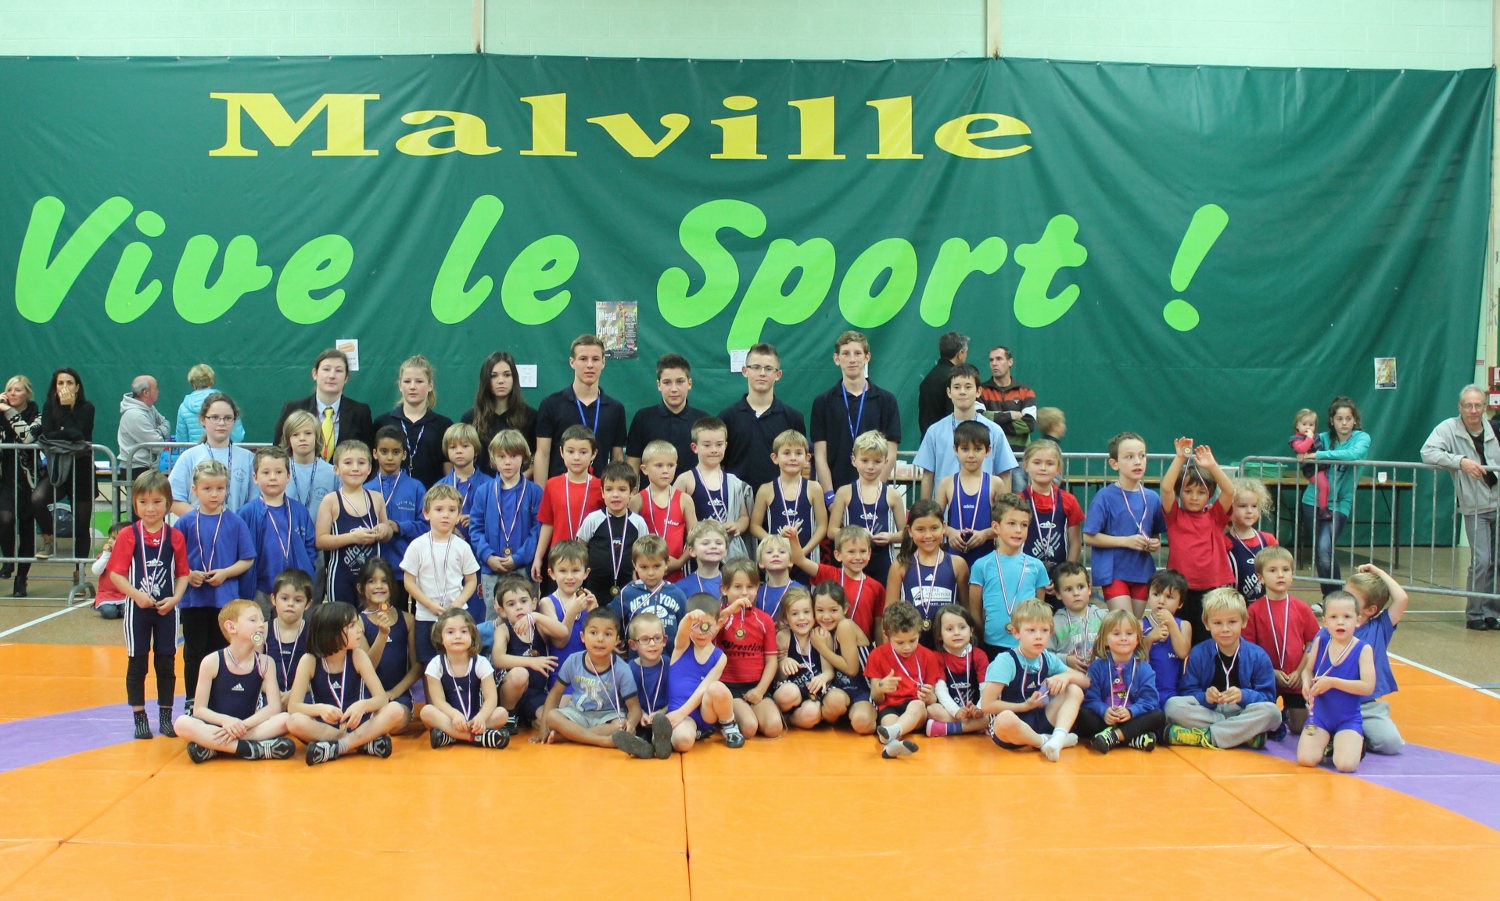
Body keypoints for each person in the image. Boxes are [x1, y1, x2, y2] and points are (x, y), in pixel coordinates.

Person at [107, 471, 189, 740]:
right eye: (143, 502)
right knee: (137, 664)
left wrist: (175, 599)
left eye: (156, 502)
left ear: (168, 504)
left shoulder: (175, 536)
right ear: (134, 503)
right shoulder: (128, 535)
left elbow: (183, 574)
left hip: (167, 609)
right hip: (138, 610)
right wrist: (136, 595)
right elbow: (116, 574)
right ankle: (139, 717)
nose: (150, 508)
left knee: (166, 664)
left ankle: (166, 716)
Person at [175, 460, 256, 709]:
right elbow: (174, 558)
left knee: (222, 652)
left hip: (225, 601)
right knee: (194, 652)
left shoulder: (235, 522)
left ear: (226, 489)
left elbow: (247, 558)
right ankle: (193, 700)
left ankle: (219, 701)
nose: (214, 494)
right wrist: (189, 574)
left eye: (219, 489)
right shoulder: (185, 522)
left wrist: (225, 573)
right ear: (194, 490)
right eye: (207, 489)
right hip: (194, 601)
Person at [175, 600, 296, 763]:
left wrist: (242, 726)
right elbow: (199, 710)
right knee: (182, 723)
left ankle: (214, 747)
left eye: (262, 620)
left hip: (248, 727)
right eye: (253, 620)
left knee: (285, 719)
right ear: (231, 627)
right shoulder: (212, 661)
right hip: (218, 726)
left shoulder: (266, 663)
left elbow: (274, 707)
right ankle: (250, 749)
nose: (261, 625)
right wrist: (226, 721)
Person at [286, 601, 406, 765]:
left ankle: (338, 747)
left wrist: (363, 705)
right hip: (326, 728)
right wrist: (320, 709)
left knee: (395, 710)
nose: (360, 630)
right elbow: (293, 706)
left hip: (359, 723)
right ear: (332, 632)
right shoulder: (309, 660)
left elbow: (381, 699)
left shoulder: (358, 655)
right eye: (352, 626)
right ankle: (360, 743)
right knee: (294, 721)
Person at [1421, 385, 1500, 630]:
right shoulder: (1448, 428)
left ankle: (1492, 612)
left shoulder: (1495, 429)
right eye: (1468, 405)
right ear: (1460, 407)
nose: (1473, 410)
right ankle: (1474, 613)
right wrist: (1460, 461)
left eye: (1478, 405)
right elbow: (1428, 453)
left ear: (1485, 408)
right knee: (1482, 560)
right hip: (1475, 506)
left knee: (1497, 561)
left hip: (1498, 502)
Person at [1164, 588, 1282, 750]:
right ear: (1207, 624)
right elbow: (1187, 691)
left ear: (1244, 621)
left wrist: (1243, 695)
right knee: (1172, 706)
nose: (1225, 629)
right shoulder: (1198, 653)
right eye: (1218, 623)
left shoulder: (1258, 656)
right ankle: (1242, 734)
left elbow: (1268, 698)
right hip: (1210, 712)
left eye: (1232, 622)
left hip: (1243, 711)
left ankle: (1206, 736)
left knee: (1273, 713)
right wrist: (1205, 697)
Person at [979, 598, 1086, 761]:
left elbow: (1086, 681)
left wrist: (1066, 676)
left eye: (1044, 630)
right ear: (1016, 633)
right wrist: (1024, 706)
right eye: (1031, 630)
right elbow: (987, 705)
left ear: (1050, 632)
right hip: (1013, 727)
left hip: (1039, 718)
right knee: (1005, 718)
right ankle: (1045, 741)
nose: (1039, 637)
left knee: (1074, 689)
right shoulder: (1005, 661)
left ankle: (1057, 738)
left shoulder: (1047, 658)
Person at [1082, 432, 1165, 615]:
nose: (1138, 462)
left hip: (1142, 571)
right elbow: (1088, 536)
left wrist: (1155, 543)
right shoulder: (1105, 496)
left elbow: (1155, 534)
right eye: (1129, 457)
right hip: (1114, 572)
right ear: (1115, 464)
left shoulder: (1152, 498)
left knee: (1135, 625)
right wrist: (1126, 541)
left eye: (1142, 456)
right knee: (1123, 623)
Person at [1296, 396, 1371, 597]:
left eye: (1348, 418)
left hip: (1339, 503)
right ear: (1332, 420)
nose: (1344, 423)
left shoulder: (1362, 438)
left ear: (1354, 420)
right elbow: (1301, 445)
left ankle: (1336, 598)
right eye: (1339, 419)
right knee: (1322, 553)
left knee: (1324, 548)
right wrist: (1302, 449)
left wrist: (1319, 455)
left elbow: (1352, 454)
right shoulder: (1321, 438)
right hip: (1312, 501)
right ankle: (1329, 599)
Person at [1161, 439, 1236, 633]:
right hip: (1180, 589)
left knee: (1206, 636)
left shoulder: (1215, 516)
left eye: (1201, 492)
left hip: (1211, 588)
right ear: (1180, 493)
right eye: (1188, 491)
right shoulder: (1175, 516)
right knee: (1181, 636)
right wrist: (1180, 458)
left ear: (1209, 495)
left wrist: (1212, 465)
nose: (1194, 497)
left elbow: (1229, 491)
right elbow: (1166, 488)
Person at [537, 607, 641, 748]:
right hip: (577, 714)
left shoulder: (622, 669)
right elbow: (555, 693)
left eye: (608, 634)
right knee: (552, 716)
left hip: (607, 717)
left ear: (617, 640)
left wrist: (631, 724)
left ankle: (570, 736)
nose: (600, 639)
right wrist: (543, 728)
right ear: (583, 637)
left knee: (619, 725)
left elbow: (634, 708)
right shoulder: (573, 660)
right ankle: (602, 741)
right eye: (593, 633)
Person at [810, 330, 901, 490]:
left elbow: (891, 454)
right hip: (836, 492)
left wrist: (875, 490)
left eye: (858, 353)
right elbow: (820, 456)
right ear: (836, 359)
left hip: (874, 492)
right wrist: (829, 495)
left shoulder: (886, 401)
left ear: (867, 357)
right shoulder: (823, 402)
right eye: (846, 354)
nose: (852, 359)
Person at [1296, 591, 1376, 773]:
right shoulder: (1321, 641)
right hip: (1319, 716)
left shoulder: (1363, 649)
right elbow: (1308, 670)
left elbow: (1368, 687)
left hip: (1347, 718)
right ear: (1325, 622)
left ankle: (1353, 742)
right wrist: (1306, 682)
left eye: (1347, 617)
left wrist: (1332, 683)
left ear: (1358, 620)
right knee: (1306, 759)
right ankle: (1331, 742)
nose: (1340, 622)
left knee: (1345, 765)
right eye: (1334, 617)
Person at [1243, 546, 1319, 735]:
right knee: (1262, 721)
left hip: (1295, 679)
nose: (1280, 575)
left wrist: (1300, 671)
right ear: (1260, 578)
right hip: (1266, 678)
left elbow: (1313, 643)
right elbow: (1249, 649)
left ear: (1292, 575)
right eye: (1273, 570)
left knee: (1299, 728)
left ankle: (1287, 714)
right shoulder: (1254, 611)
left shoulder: (1302, 608)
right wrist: (1271, 671)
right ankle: (1277, 717)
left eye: (1285, 570)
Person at [402, 483, 480, 663]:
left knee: (457, 659)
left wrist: (458, 603)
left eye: (452, 510)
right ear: (426, 513)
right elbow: (409, 582)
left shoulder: (463, 547)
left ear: (459, 515)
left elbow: (471, 581)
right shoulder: (417, 546)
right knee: (428, 663)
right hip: (426, 616)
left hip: (457, 616)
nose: (445, 515)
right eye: (439, 509)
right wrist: (429, 604)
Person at [533, 335, 627, 482]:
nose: (590, 365)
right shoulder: (551, 404)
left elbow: (617, 458)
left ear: (603, 363)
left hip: (600, 491)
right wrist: (542, 494)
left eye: (595, 359)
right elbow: (542, 455)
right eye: (583, 359)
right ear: (572, 362)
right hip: (560, 491)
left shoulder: (615, 409)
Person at [914, 363, 1015, 500]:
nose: (962, 392)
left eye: (968, 387)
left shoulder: (994, 431)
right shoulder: (934, 431)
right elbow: (928, 476)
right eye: (956, 387)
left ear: (978, 391)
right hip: (944, 511)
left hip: (984, 510)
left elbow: (1004, 475)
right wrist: (927, 512)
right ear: (949, 392)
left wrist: (1004, 511)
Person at [718, 343, 806, 494]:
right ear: (745, 371)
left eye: (769, 368)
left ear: (778, 375)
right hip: (737, 500)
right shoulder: (727, 418)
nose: (762, 373)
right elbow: (719, 465)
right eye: (756, 367)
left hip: (780, 500)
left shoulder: (793, 418)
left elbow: (800, 465)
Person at [967, 494, 1050, 656]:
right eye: (1011, 523)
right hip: (991, 645)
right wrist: (983, 638)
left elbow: (1039, 610)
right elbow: (975, 612)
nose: (1018, 530)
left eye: (1024, 525)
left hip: (1027, 645)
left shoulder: (1037, 567)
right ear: (996, 527)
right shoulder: (982, 565)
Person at [315, 440, 394, 606]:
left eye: (361, 463)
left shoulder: (376, 498)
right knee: (341, 618)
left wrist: (384, 529)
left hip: (373, 578)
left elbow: (388, 534)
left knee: (373, 617)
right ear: (336, 469)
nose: (355, 468)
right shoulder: (331, 500)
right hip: (341, 577)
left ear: (370, 468)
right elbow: (320, 540)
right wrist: (353, 538)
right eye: (348, 463)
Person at [661, 595, 744, 752]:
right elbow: (683, 631)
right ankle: (686, 735)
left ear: (717, 625)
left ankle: (729, 725)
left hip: (704, 713)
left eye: (705, 627)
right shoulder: (682, 646)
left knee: (717, 688)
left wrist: (681, 713)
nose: (700, 632)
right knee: (683, 742)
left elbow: (703, 688)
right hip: (682, 714)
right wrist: (688, 619)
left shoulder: (720, 657)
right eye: (695, 626)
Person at [237, 446, 316, 612]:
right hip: (259, 589)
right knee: (260, 626)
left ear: (288, 476)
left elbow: (310, 547)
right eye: (266, 472)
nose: (272, 477)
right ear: (255, 477)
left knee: (292, 627)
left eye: (279, 472)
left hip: (295, 591)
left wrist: (307, 569)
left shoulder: (300, 511)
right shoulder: (246, 513)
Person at [420, 607, 512, 749]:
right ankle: (477, 738)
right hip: (450, 718)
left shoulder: (481, 663)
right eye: (450, 632)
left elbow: (491, 698)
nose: (458, 636)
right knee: (427, 712)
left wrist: (481, 717)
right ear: (440, 637)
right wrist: (454, 715)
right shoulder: (436, 664)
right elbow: (438, 701)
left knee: (502, 714)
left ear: (472, 635)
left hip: (475, 719)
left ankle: (449, 736)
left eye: (463, 631)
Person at [827, 430, 906, 589]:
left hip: (883, 564)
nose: (870, 467)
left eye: (877, 461)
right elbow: (831, 531)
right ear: (854, 460)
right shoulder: (845, 492)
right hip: (852, 563)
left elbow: (906, 533)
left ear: (886, 462)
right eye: (865, 460)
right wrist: (856, 534)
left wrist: (890, 537)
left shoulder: (893, 495)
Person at [470, 429, 543, 601]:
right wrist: (488, 556)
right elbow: (475, 529)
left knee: (524, 613)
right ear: (493, 459)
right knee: (493, 614)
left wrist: (518, 558)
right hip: (491, 569)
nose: (508, 462)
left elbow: (537, 531)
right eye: (501, 456)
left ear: (524, 457)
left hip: (523, 569)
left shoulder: (534, 492)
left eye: (513, 456)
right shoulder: (483, 492)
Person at [715, 557, 784, 739]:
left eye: (750, 587)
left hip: (756, 685)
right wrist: (727, 612)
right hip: (729, 687)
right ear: (724, 589)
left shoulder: (764, 620)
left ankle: (752, 710)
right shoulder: (720, 617)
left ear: (757, 589)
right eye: (737, 587)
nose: (744, 592)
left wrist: (760, 690)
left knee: (773, 728)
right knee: (749, 728)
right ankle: (723, 718)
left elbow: (771, 661)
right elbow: (707, 638)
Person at [1078, 609, 1164, 753]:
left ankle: (1113, 737)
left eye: (1129, 633)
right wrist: (1104, 711)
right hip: (1105, 721)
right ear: (1105, 640)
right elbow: (1090, 700)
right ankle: (1130, 739)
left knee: (1158, 716)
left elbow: (1149, 701)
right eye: (1116, 634)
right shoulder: (1096, 667)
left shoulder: (1144, 668)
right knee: (1083, 715)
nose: (1123, 638)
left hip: (1131, 719)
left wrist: (1131, 712)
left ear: (1137, 639)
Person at [33, 367, 95, 561]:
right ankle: (49, 537)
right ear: (55, 387)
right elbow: (48, 435)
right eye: (60, 383)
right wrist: (67, 435)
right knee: (38, 499)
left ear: (77, 387)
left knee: (81, 526)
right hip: (58, 468)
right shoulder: (49, 406)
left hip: (82, 469)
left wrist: (66, 410)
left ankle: (80, 572)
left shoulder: (87, 408)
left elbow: (79, 435)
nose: (65, 387)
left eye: (69, 383)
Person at [1345, 563, 1408, 754]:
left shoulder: (1379, 628)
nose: (1344, 600)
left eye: (1351, 598)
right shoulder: (1334, 625)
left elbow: (1401, 598)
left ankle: (1361, 738)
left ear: (1370, 610)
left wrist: (1378, 572)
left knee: (1391, 743)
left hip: (1365, 705)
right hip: (1333, 701)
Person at [865, 600, 940, 758]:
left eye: (912, 640)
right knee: (888, 723)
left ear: (919, 632)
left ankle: (893, 733)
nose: (907, 647)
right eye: (900, 642)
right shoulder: (877, 655)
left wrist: (929, 697)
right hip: (889, 706)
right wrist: (881, 687)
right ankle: (892, 746)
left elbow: (932, 698)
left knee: (917, 705)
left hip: (916, 708)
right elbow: (876, 697)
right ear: (887, 636)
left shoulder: (929, 656)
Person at [787, 524, 887, 643]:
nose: (858, 557)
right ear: (838, 555)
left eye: (863, 551)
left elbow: (878, 624)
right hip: (828, 643)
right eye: (851, 552)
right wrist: (793, 538)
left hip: (860, 647)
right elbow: (801, 561)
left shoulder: (876, 587)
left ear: (869, 553)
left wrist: (880, 651)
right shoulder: (829, 573)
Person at [273, 348, 376, 461]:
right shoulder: (293, 409)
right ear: (315, 374)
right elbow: (278, 452)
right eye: (326, 369)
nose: (332, 375)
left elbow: (368, 456)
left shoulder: (360, 412)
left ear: (346, 378)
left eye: (339, 370)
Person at [531, 424, 604, 584]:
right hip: (558, 562)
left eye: (583, 452)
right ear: (561, 452)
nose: (576, 457)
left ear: (594, 454)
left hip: (589, 563)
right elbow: (548, 524)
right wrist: (538, 557)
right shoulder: (552, 484)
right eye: (570, 451)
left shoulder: (601, 487)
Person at [888, 499, 969, 641]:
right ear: (910, 531)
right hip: (911, 646)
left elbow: (966, 610)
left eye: (934, 528)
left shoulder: (958, 564)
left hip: (948, 647)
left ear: (944, 527)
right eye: (920, 529)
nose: (928, 535)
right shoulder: (900, 565)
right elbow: (889, 613)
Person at [490, 575, 563, 731]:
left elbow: (562, 632)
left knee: (550, 721)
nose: (519, 607)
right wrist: (531, 662)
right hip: (510, 692)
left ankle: (527, 720)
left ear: (534, 603)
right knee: (520, 674)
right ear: (502, 611)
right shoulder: (504, 630)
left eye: (523, 601)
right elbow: (497, 659)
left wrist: (536, 617)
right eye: (511, 604)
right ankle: (509, 715)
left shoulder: (539, 628)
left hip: (536, 693)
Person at [674, 417, 753, 561]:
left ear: (726, 446)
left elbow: (744, 517)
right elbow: (674, 519)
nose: (714, 450)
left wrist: (737, 526)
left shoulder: (734, 482)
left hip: (729, 553)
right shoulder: (685, 480)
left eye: (719, 444)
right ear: (695, 447)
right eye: (707, 445)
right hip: (697, 554)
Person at [934, 420, 1009, 569]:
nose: (971, 455)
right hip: (954, 558)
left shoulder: (995, 483)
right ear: (955, 450)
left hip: (986, 560)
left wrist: (986, 534)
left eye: (978, 449)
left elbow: (1006, 523)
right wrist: (950, 532)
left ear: (988, 451)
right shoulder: (946, 483)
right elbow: (933, 521)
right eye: (965, 449)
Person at [372, 355, 453, 488]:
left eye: (419, 381)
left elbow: (448, 473)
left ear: (430, 386)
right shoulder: (383, 422)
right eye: (407, 381)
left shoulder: (443, 424)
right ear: (400, 385)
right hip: (390, 496)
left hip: (432, 496)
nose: (412, 387)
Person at [358, 558, 421, 724]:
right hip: (368, 694)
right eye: (372, 581)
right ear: (361, 588)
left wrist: (395, 692)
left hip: (397, 695)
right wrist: (382, 635)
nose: (379, 586)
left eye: (384, 581)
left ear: (392, 586)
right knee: (367, 717)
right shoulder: (357, 622)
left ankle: (373, 729)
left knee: (397, 719)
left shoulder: (408, 619)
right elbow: (367, 667)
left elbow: (417, 667)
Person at [168, 392, 254, 514]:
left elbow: (254, 501)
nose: (221, 423)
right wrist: (203, 521)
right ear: (203, 420)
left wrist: (234, 522)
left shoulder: (247, 458)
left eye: (228, 418)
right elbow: (174, 499)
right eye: (214, 417)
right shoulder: (189, 457)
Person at [576, 461, 649, 603]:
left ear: (632, 492)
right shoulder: (593, 519)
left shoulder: (638, 522)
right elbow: (579, 550)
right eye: (609, 490)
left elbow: (643, 555)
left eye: (622, 490)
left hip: (628, 587)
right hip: (594, 587)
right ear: (602, 492)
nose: (615, 495)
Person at [750, 430, 828, 561]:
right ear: (775, 458)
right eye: (786, 453)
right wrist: (774, 543)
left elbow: (822, 527)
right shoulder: (766, 490)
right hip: (776, 558)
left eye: (798, 453)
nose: (793, 458)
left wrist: (802, 553)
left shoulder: (814, 488)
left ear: (807, 458)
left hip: (807, 559)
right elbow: (755, 526)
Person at [809, 581, 875, 734]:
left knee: (862, 723)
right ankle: (841, 718)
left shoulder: (846, 626)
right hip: (839, 690)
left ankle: (871, 716)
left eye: (833, 610)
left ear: (845, 608)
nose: (826, 616)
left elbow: (851, 669)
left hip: (862, 689)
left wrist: (821, 648)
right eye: (820, 610)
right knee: (835, 703)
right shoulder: (823, 632)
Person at [627, 353, 708, 473]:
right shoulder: (643, 418)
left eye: (680, 382)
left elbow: (711, 463)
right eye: (667, 382)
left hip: (693, 486)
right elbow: (633, 465)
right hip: (651, 486)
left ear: (689, 383)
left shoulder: (703, 420)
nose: (674, 389)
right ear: (659, 385)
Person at [366, 425, 429, 576]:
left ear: (404, 455)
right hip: (372, 570)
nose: (390, 457)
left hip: (406, 569)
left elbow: (427, 525)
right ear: (375, 453)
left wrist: (400, 527)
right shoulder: (366, 489)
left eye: (396, 452)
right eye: (384, 451)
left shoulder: (416, 488)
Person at [462, 351, 536, 475]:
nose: (501, 381)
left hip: (519, 485)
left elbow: (537, 457)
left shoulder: (531, 417)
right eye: (494, 376)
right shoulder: (470, 418)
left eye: (507, 375)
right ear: (486, 380)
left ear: (514, 378)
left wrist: (518, 481)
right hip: (479, 486)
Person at [631, 440, 697, 578]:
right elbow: (629, 539)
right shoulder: (637, 501)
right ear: (644, 469)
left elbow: (695, 538)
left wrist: (680, 562)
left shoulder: (684, 500)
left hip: (675, 575)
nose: (665, 471)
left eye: (670, 465)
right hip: (645, 574)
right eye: (659, 465)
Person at [0, 375, 41, 596]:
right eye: (9, 390)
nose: (12, 394)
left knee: (27, 529)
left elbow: (27, 437)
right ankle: (8, 559)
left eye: (17, 390)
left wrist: (7, 410)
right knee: (5, 519)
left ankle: (21, 580)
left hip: (29, 480)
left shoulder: (37, 415)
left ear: (28, 393)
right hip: (6, 479)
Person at [924, 604, 990, 737]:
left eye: (962, 627)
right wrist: (956, 711)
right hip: (950, 711)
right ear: (939, 635)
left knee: (995, 711)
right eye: (949, 629)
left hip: (975, 709)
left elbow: (986, 688)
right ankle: (975, 726)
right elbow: (940, 691)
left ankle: (948, 728)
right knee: (932, 710)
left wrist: (979, 709)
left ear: (971, 630)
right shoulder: (937, 657)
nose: (957, 633)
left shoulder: (979, 655)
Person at [1018, 440, 1082, 576]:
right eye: (1037, 462)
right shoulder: (1019, 501)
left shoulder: (1069, 501)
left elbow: (1075, 542)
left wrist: (1066, 575)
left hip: (1059, 577)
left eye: (1050, 463)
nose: (1043, 468)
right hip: (1025, 575)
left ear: (1058, 468)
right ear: (1026, 465)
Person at [616, 612, 675, 758]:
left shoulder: (671, 665)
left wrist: (662, 712)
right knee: (628, 724)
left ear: (665, 640)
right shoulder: (628, 669)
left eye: (657, 638)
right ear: (633, 645)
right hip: (641, 717)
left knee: (669, 726)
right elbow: (627, 701)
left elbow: (677, 698)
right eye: (645, 639)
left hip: (666, 717)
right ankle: (642, 745)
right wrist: (641, 714)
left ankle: (658, 741)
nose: (652, 644)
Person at [978, 345, 1037, 491]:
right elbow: (979, 420)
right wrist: (1011, 415)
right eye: (991, 360)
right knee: (990, 500)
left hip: (1018, 459)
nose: (994, 363)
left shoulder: (1026, 391)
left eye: (999, 359)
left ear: (1010, 362)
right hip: (989, 458)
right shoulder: (980, 391)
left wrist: (993, 421)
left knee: (1017, 501)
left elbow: (1029, 424)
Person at [617, 534, 689, 649]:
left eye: (656, 566)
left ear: (667, 564)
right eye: (644, 567)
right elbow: (609, 620)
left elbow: (687, 628)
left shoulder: (677, 594)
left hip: (671, 658)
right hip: (636, 658)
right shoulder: (627, 593)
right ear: (635, 565)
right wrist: (613, 642)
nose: (651, 573)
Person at [772, 586, 824, 730]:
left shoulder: (820, 635)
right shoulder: (783, 636)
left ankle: (790, 720)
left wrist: (824, 677)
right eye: (795, 614)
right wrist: (783, 662)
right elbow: (778, 677)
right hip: (790, 691)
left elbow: (829, 670)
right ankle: (781, 715)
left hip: (813, 693)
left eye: (806, 612)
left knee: (812, 712)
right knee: (789, 692)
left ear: (814, 614)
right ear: (786, 619)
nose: (801, 618)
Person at [434, 422, 491, 547]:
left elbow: (499, 521)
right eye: (453, 447)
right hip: (448, 552)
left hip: (481, 552)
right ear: (447, 452)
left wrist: (477, 521)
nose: (459, 451)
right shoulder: (439, 487)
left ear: (476, 450)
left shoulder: (490, 485)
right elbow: (429, 520)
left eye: (465, 446)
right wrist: (448, 529)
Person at [172, 364, 245, 461]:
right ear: (211, 381)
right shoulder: (226, 403)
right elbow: (238, 436)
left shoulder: (183, 407)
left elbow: (181, 440)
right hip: (225, 457)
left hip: (196, 459)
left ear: (193, 384)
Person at [1225, 478, 1278, 603]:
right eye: (1242, 506)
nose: (1249, 511)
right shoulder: (1224, 542)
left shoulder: (1268, 540)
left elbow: (1278, 571)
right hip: (1236, 607)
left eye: (1254, 506)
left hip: (1265, 606)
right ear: (1229, 508)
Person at [1141, 569, 1191, 702]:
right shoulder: (1140, 624)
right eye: (1156, 594)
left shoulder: (1184, 625)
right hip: (1147, 692)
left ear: (1180, 603)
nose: (1161, 601)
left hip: (1174, 694)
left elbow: (1183, 653)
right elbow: (1137, 659)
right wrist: (1150, 638)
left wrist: (1172, 625)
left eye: (1169, 597)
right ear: (1148, 597)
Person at [281, 409, 340, 519]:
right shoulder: (279, 470)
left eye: (308, 433)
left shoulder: (332, 473)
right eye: (295, 434)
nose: (302, 438)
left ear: (317, 436)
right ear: (288, 439)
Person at [264, 568, 313, 695]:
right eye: (284, 598)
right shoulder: (262, 631)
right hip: (267, 695)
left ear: (308, 604)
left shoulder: (313, 633)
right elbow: (252, 671)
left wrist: (292, 694)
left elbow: (319, 676)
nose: (290, 604)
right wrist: (274, 694)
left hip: (302, 696)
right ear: (273, 599)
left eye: (298, 600)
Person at [1048, 561, 1103, 671]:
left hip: (1101, 675)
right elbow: (1045, 655)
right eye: (1068, 589)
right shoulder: (1053, 623)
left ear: (1089, 589)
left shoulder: (1104, 617)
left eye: (1081, 587)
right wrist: (1066, 659)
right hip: (1067, 675)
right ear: (1058, 594)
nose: (1076, 593)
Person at [117, 374, 171, 475]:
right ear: (146, 393)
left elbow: (166, 423)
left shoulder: (150, 408)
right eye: (156, 388)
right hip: (136, 470)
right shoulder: (135, 415)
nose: (158, 391)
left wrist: (157, 432)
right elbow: (157, 445)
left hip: (148, 467)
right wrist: (160, 432)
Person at [917, 330, 968, 437]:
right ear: (960, 354)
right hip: (947, 441)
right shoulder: (954, 379)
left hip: (928, 439)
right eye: (965, 352)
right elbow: (954, 416)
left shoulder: (929, 378)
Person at [675, 520, 729, 600]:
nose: (713, 546)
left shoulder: (733, 582)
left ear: (726, 550)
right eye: (705, 543)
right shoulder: (680, 588)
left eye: (718, 543)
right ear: (692, 551)